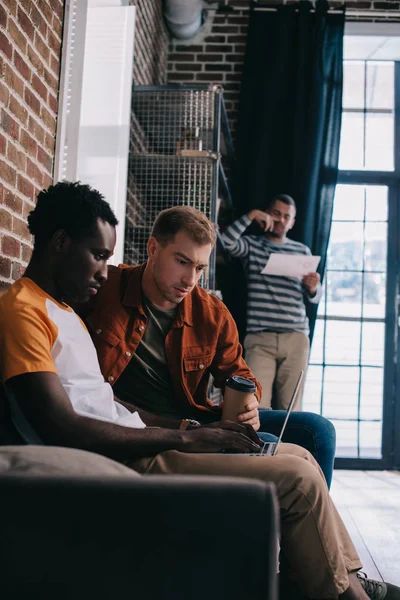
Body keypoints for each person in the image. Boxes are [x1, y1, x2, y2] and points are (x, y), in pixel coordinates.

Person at [0, 181, 399, 600]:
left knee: (301, 450)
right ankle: (348, 593)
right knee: (297, 476)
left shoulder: (65, 308)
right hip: (133, 451)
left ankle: (342, 579)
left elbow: (105, 399)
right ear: (153, 251)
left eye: (201, 268)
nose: (102, 270)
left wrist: (214, 418)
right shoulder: (34, 307)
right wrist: (188, 437)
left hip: (157, 429)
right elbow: (64, 425)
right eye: (98, 255)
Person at [83, 203, 336, 488]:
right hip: (144, 424)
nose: (190, 280)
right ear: (153, 249)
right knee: (269, 445)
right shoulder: (105, 288)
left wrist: (250, 403)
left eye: (200, 267)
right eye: (182, 261)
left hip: (195, 420)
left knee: (318, 431)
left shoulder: (212, 314)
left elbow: (239, 375)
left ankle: (295, 523)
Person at [221, 193, 321, 411]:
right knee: (255, 406)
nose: (280, 220)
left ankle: (288, 447)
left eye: (287, 216)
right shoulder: (252, 245)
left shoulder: (301, 251)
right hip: (260, 338)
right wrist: (251, 216)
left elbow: (314, 297)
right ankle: (261, 446)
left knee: (291, 409)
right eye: (276, 213)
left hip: (295, 337)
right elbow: (225, 242)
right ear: (267, 213)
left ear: (292, 222)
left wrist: (314, 287)